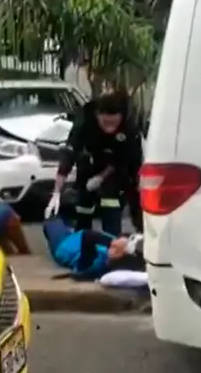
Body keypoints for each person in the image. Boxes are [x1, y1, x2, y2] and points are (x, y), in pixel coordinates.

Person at [45, 89, 144, 235]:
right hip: (89, 163)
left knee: (112, 203)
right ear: (97, 115)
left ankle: (113, 243)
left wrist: (102, 177)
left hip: (117, 168)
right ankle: (83, 239)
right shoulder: (84, 123)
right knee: (84, 206)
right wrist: (57, 192)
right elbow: (69, 155)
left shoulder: (128, 128)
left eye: (113, 123)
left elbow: (127, 158)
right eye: (106, 122)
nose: (110, 127)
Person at [43, 216, 145, 279]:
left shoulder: (93, 263)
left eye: (117, 249)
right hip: (75, 236)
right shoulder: (111, 253)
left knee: (51, 221)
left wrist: (112, 242)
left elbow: (88, 236)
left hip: (63, 245)